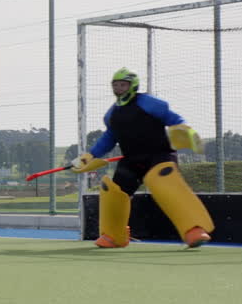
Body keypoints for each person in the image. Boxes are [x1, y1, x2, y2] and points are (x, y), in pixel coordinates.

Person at [70, 68, 213, 248]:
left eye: (123, 85)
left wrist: (182, 128)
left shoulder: (149, 103)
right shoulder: (112, 114)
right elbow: (109, 138)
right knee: (114, 192)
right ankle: (114, 236)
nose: (119, 88)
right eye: (116, 85)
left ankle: (194, 230)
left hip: (159, 155)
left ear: (133, 86)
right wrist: (90, 155)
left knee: (164, 183)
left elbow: (173, 118)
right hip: (132, 160)